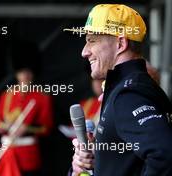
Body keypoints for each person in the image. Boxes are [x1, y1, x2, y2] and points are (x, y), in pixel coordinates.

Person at [65, 4, 172, 176]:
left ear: (121, 43)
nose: (84, 52)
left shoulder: (128, 93)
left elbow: (164, 154)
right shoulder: (128, 87)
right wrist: (99, 159)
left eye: (92, 40)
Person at [0, 68, 53, 176]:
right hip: (7, 151)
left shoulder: (41, 96)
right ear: (16, 74)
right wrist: (3, 127)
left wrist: (27, 128)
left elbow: (46, 128)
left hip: (28, 154)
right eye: (21, 72)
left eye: (28, 72)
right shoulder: (6, 95)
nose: (25, 75)